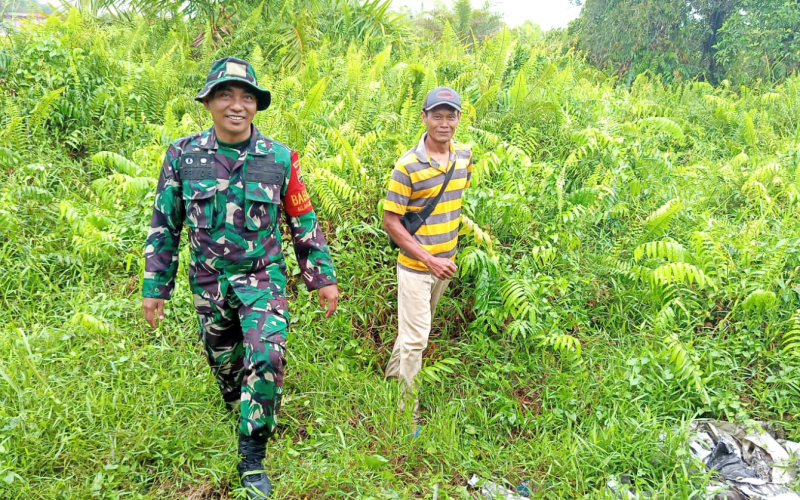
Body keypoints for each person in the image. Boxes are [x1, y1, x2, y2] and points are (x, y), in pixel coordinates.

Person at [141, 57, 339, 499]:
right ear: (208, 102)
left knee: (266, 358)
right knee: (225, 363)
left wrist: (322, 277)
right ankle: (238, 402)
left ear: (256, 105)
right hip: (209, 281)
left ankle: (252, 458)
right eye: (226, 95)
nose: (237, 105)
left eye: (246, 96)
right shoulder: (182, 155)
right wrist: (156, 286)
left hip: (262, 278)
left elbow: (302, 220)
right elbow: (165, 222)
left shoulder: (280, 158)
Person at [383, 87, 472, 431]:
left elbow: (456, 201)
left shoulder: (464, 157)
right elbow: (391, 222)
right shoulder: (407, 166)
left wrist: (444, 256)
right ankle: (407, 416)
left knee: (413, 333)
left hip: (444, 266)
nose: (444, 123)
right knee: (418, 338)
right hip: (417, 267)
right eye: (437, 115)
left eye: (451, 116)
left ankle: (392, 381)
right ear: (424, 117)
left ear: (459, 119)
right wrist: (428, 258)